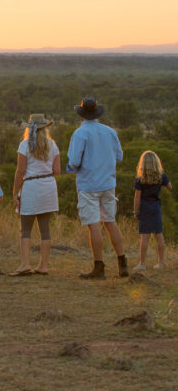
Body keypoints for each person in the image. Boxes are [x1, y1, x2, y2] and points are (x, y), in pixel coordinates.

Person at [67, 96, 128, 279]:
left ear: (82, 114)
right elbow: (119, 157)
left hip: (88, 185)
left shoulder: (80, 134)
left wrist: (74, 168)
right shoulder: (110, 132)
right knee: (110, 221)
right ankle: (122, 264)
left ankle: (99, 267)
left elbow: (74, 161)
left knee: (94, 225)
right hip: (108, 183)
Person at [10, 113, 60, 276]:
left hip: (31, 185)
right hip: (48, 186)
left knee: (25, 229)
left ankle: (25, 264)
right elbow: (57, 171)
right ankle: (43, 265)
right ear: (45, 128)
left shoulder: (24, 145)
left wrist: (15, 192)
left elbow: (21, 171)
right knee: (45, 229)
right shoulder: (53, 145)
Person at [133, 151, 172, 271]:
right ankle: (160, 263)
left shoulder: (140, 180)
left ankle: (142, 263)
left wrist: (135, 211)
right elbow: (170, 187)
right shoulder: (162, 177)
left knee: (145, 236)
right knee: (158, 234)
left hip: (144, 208)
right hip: (155, 207)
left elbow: (137, 197)